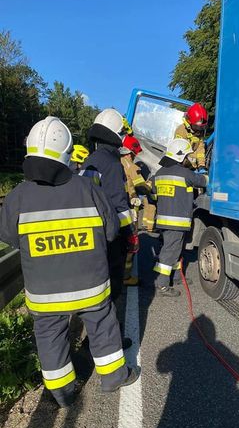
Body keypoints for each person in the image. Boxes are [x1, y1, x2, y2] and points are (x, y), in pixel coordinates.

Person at [0, 117, 140, 408]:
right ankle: (113, 376)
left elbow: (10, 238)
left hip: (44, 293)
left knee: (49, 334)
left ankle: (62, 394)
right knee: (102, 323)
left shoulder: (17, 197)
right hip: (91, 286)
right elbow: (112, 230)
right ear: (66, 153)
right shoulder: (88, 189)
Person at [80, 109, 139, 302]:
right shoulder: (112, 165)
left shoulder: (90, 161)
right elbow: (118, 204)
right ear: (116, 134)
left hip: (91, 234)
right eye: (123, 133)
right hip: (111, 236)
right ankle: (110, 329)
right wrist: (131, 235)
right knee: (113, 285)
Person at [152, 138, 208, 297]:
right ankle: (162, 284)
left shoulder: (159, 173)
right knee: (169, 251)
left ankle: (176, 277)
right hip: (177, 220)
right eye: (187, 157)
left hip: (164, 220)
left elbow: (154, 192)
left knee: (176, 249)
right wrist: (205, 173)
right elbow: (203, 181)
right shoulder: (185, 173)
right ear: (180, 157)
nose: (188, 160)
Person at [120, 134, 148, 286]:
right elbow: (141, 185)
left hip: (118, 207)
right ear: (130, 152)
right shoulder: (130, 166)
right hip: (129, 210)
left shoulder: (115, 163)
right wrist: (151, 187)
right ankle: (126, 277)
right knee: (131, 243)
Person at [174, 103, 208, 172]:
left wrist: (201, 165)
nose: (199, 129)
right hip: (181, 165)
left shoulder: (199, 131)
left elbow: (200, 150)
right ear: (189, 122)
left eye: (201, 127)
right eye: (197, 126)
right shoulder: (181, 130)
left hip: (193, 168)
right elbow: (178, 151)